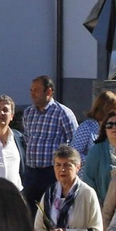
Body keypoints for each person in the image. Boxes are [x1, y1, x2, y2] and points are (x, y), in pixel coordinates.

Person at [21, 76, 76, 207]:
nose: (32, 93)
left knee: (51, 208)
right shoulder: (29, 112)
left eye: (36, 90)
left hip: (52, 172)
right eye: (31, 90)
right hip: (31, 172)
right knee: (30, 210)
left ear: (49, 92)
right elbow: (27, 138)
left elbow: (75, 142)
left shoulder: (63, 113)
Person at [70, 89, 116, 156]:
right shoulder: (87, 127)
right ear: (105, 109)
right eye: (115, 109)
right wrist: (93, 161)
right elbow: (74, 153)